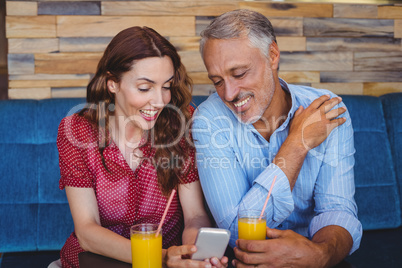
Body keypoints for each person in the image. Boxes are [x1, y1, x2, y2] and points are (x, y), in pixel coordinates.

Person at [192, 9, 362, 268]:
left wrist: (320, 254)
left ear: (272, 55)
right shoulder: (208, 120)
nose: (228, 94)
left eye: (239, 74)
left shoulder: (326, 110)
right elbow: (239, 232)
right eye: (217, 81)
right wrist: (297, 144)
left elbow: (336, 209)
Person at [56, 26, 228, 268]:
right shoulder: (77, 130)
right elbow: (86, 230)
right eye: (145, 88)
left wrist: (191, 251)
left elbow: (195, 215)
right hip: (97, 262)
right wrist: (162, 257)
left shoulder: (182, 124)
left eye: (166, 86)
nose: (160, 101)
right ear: (112, 83)